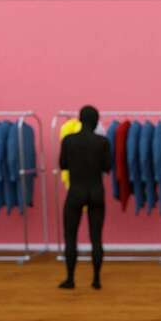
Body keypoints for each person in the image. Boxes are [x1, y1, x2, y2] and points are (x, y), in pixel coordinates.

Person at [59, 105, 111, 290]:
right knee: (96, 237)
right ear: (96, 122)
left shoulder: (68, 140)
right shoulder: (103, 142)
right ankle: (96, 280)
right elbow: (107, 167)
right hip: (96, 191)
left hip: (75, 191)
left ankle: (70, 278)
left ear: (80, 120)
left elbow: (63, 165)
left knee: (70, 236)